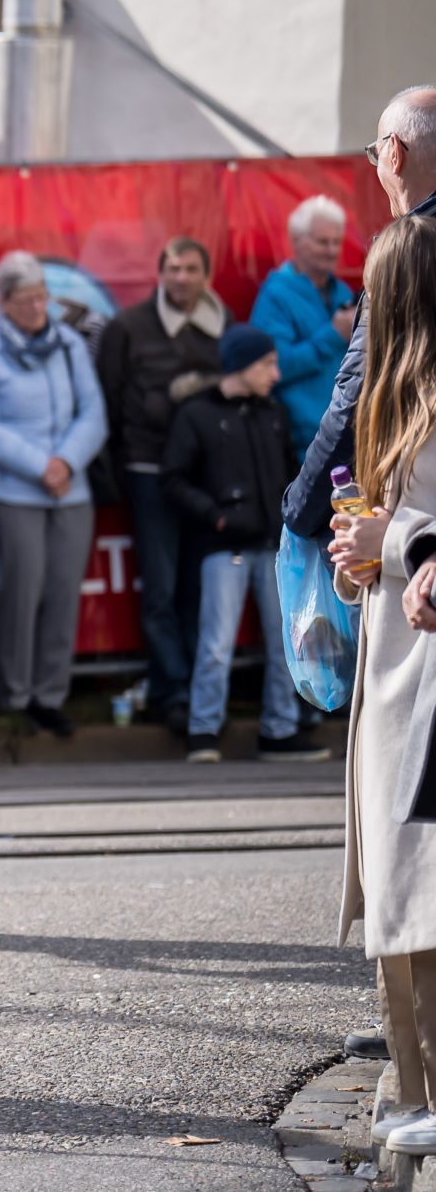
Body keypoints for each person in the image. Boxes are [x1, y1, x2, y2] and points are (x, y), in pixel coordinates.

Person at [324, 213, 436, 1158]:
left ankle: (423, 1089)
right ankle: (410, 1084)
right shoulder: (397, 397)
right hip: (394, 662)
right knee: (400, 889)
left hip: (426, 674)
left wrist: (389, 543)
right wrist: (358, 553)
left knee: (420, 889)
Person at [0, 252, 108, 735]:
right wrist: (41, 466)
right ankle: (15, 695)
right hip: (14, 491)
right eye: (27, 300)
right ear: (2, 302)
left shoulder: (67, 342)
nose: (39, 307)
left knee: (63, 593)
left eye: (43, 296)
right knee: (22, 594)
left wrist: (66, 461)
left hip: (71, 488)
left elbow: (94, 413)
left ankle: (50, 694)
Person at [163, 324, 326, 763]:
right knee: (216, 642)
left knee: (283, 640)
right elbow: (173, 478)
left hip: (273, 546)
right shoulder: (196, 413)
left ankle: (279, 730)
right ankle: (203, 732)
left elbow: (294, 474)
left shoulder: (271, 413)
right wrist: (215, 516)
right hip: (223, 548)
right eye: (268, 364)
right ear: (242, 365)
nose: (276, 373)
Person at [289, 87, 436, 547]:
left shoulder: (409, 252)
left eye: (375, 153)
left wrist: (300, 508)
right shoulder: (283, 293)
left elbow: (357, 396)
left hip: (413, 526)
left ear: (393, 153)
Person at [99, 236, 229, 732]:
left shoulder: (224, 328)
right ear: (160, 273)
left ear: (206, 275)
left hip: (206, 481)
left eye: (191, 269)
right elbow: (110, 403)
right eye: (173, 268)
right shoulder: (126, 328)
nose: (181, 278)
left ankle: (201, 695)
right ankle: (170, 693)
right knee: (159, 591)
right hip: (149, 475)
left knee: (198, 591)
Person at [253, 198, 357, 457]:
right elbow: (274, 366)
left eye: (336, 242)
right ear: (296, 241)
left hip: (350, 436)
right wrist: (333, 336)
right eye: (323, 242)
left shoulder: (343, 292)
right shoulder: (275, 296)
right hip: (302, 445)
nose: (331, 250)